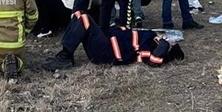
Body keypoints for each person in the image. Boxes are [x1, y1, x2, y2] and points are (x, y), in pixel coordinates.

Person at [41, 11, 185, 70]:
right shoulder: (152, 37)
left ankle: (65, 57)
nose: (168, 39)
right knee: (79, 14)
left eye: (172, 43)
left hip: (107, 52)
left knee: (84, 19)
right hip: (107, 41)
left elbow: (154, 61)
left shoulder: (154, 47)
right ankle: (64, 54)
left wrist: (165, 44)